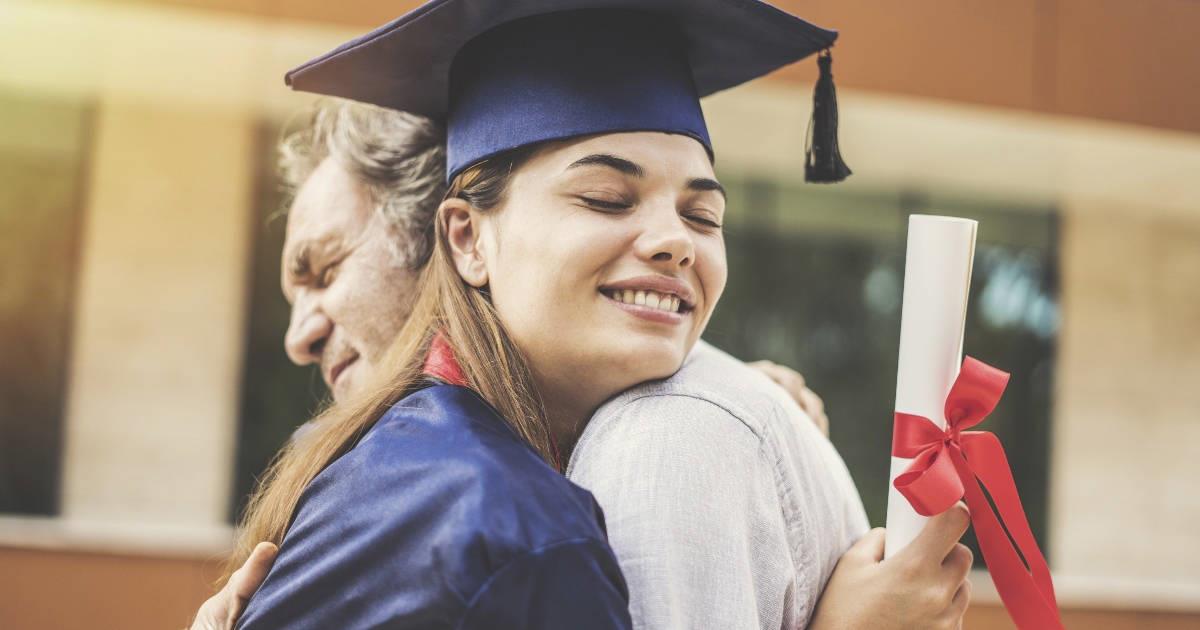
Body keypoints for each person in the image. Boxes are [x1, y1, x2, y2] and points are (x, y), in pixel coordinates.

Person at [208, 2, 973, 628]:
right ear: (467, 239)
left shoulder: (384, 470)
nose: (676, 241)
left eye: (704, 217)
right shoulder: (525, 536)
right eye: (606, 198)